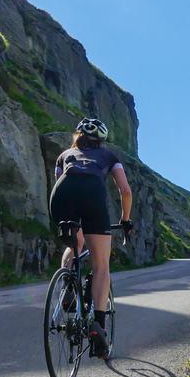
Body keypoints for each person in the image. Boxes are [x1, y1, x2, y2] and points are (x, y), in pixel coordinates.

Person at [49, 118, 133, 356]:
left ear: (78, 136)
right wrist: (125, 219)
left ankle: (67, 288)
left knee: (75, 243)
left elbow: (59, 181)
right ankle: (98, 325)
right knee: (101, 265)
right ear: (101, 141)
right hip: (93, 195)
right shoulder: (109, 157)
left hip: (62, 194)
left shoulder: (64, 155)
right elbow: (125, 190)